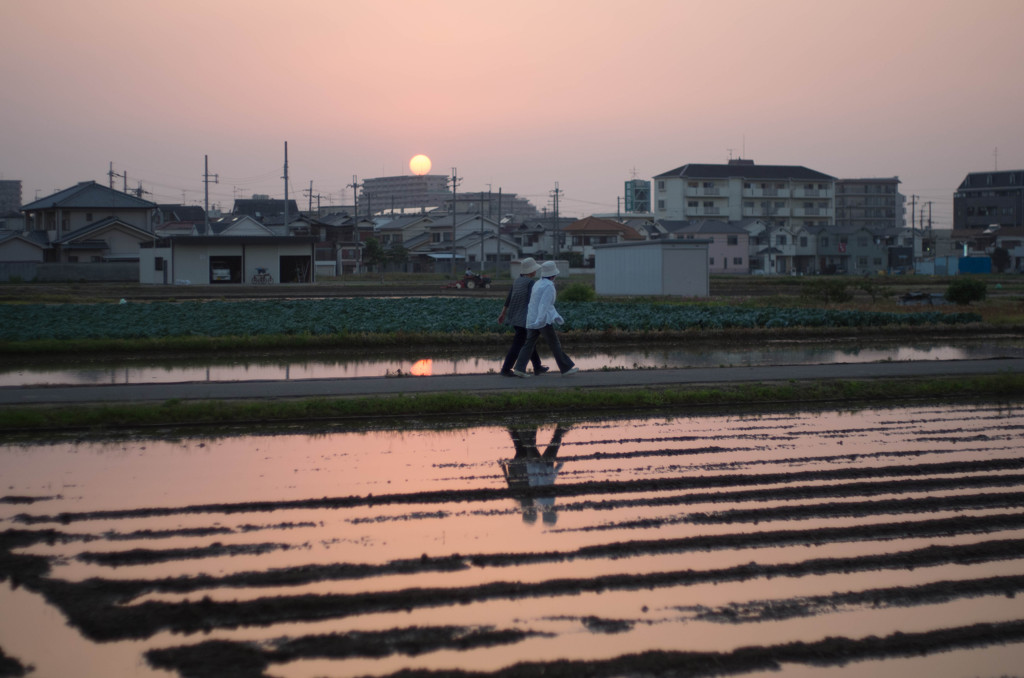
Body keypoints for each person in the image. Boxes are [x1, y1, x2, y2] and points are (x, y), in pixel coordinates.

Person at [512, 261, 579, 377]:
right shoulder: (549, 286)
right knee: (554, 343)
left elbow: (536, 303)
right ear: (553, 275)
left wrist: (554, 316)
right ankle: (565, 368)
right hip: (542, 321)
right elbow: (544, 305)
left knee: (528, 344)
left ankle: (519, 368)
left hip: (532, 319)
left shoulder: (538, 283)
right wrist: (540, 320)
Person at [499, 424, 569, 525]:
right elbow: (541, 480)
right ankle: (521, 426)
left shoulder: (538, 501)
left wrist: (557, 468)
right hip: (530, 465)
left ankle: (525, 425)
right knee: (526, 445)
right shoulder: (531, 500)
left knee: (529, 444)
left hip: (536, 465)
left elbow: (544, 480)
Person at [497, 258, 547, 377]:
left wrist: (503, 313)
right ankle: (505, 369)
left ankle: (537, 366)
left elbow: (509, 298)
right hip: (524, 319)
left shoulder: (517, 281)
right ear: (531, 271)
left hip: (514, 317)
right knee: (519, 344)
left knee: (529, 341)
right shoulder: (530, 283)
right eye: (534, 269)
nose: (536, 271)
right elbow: (532, 301)